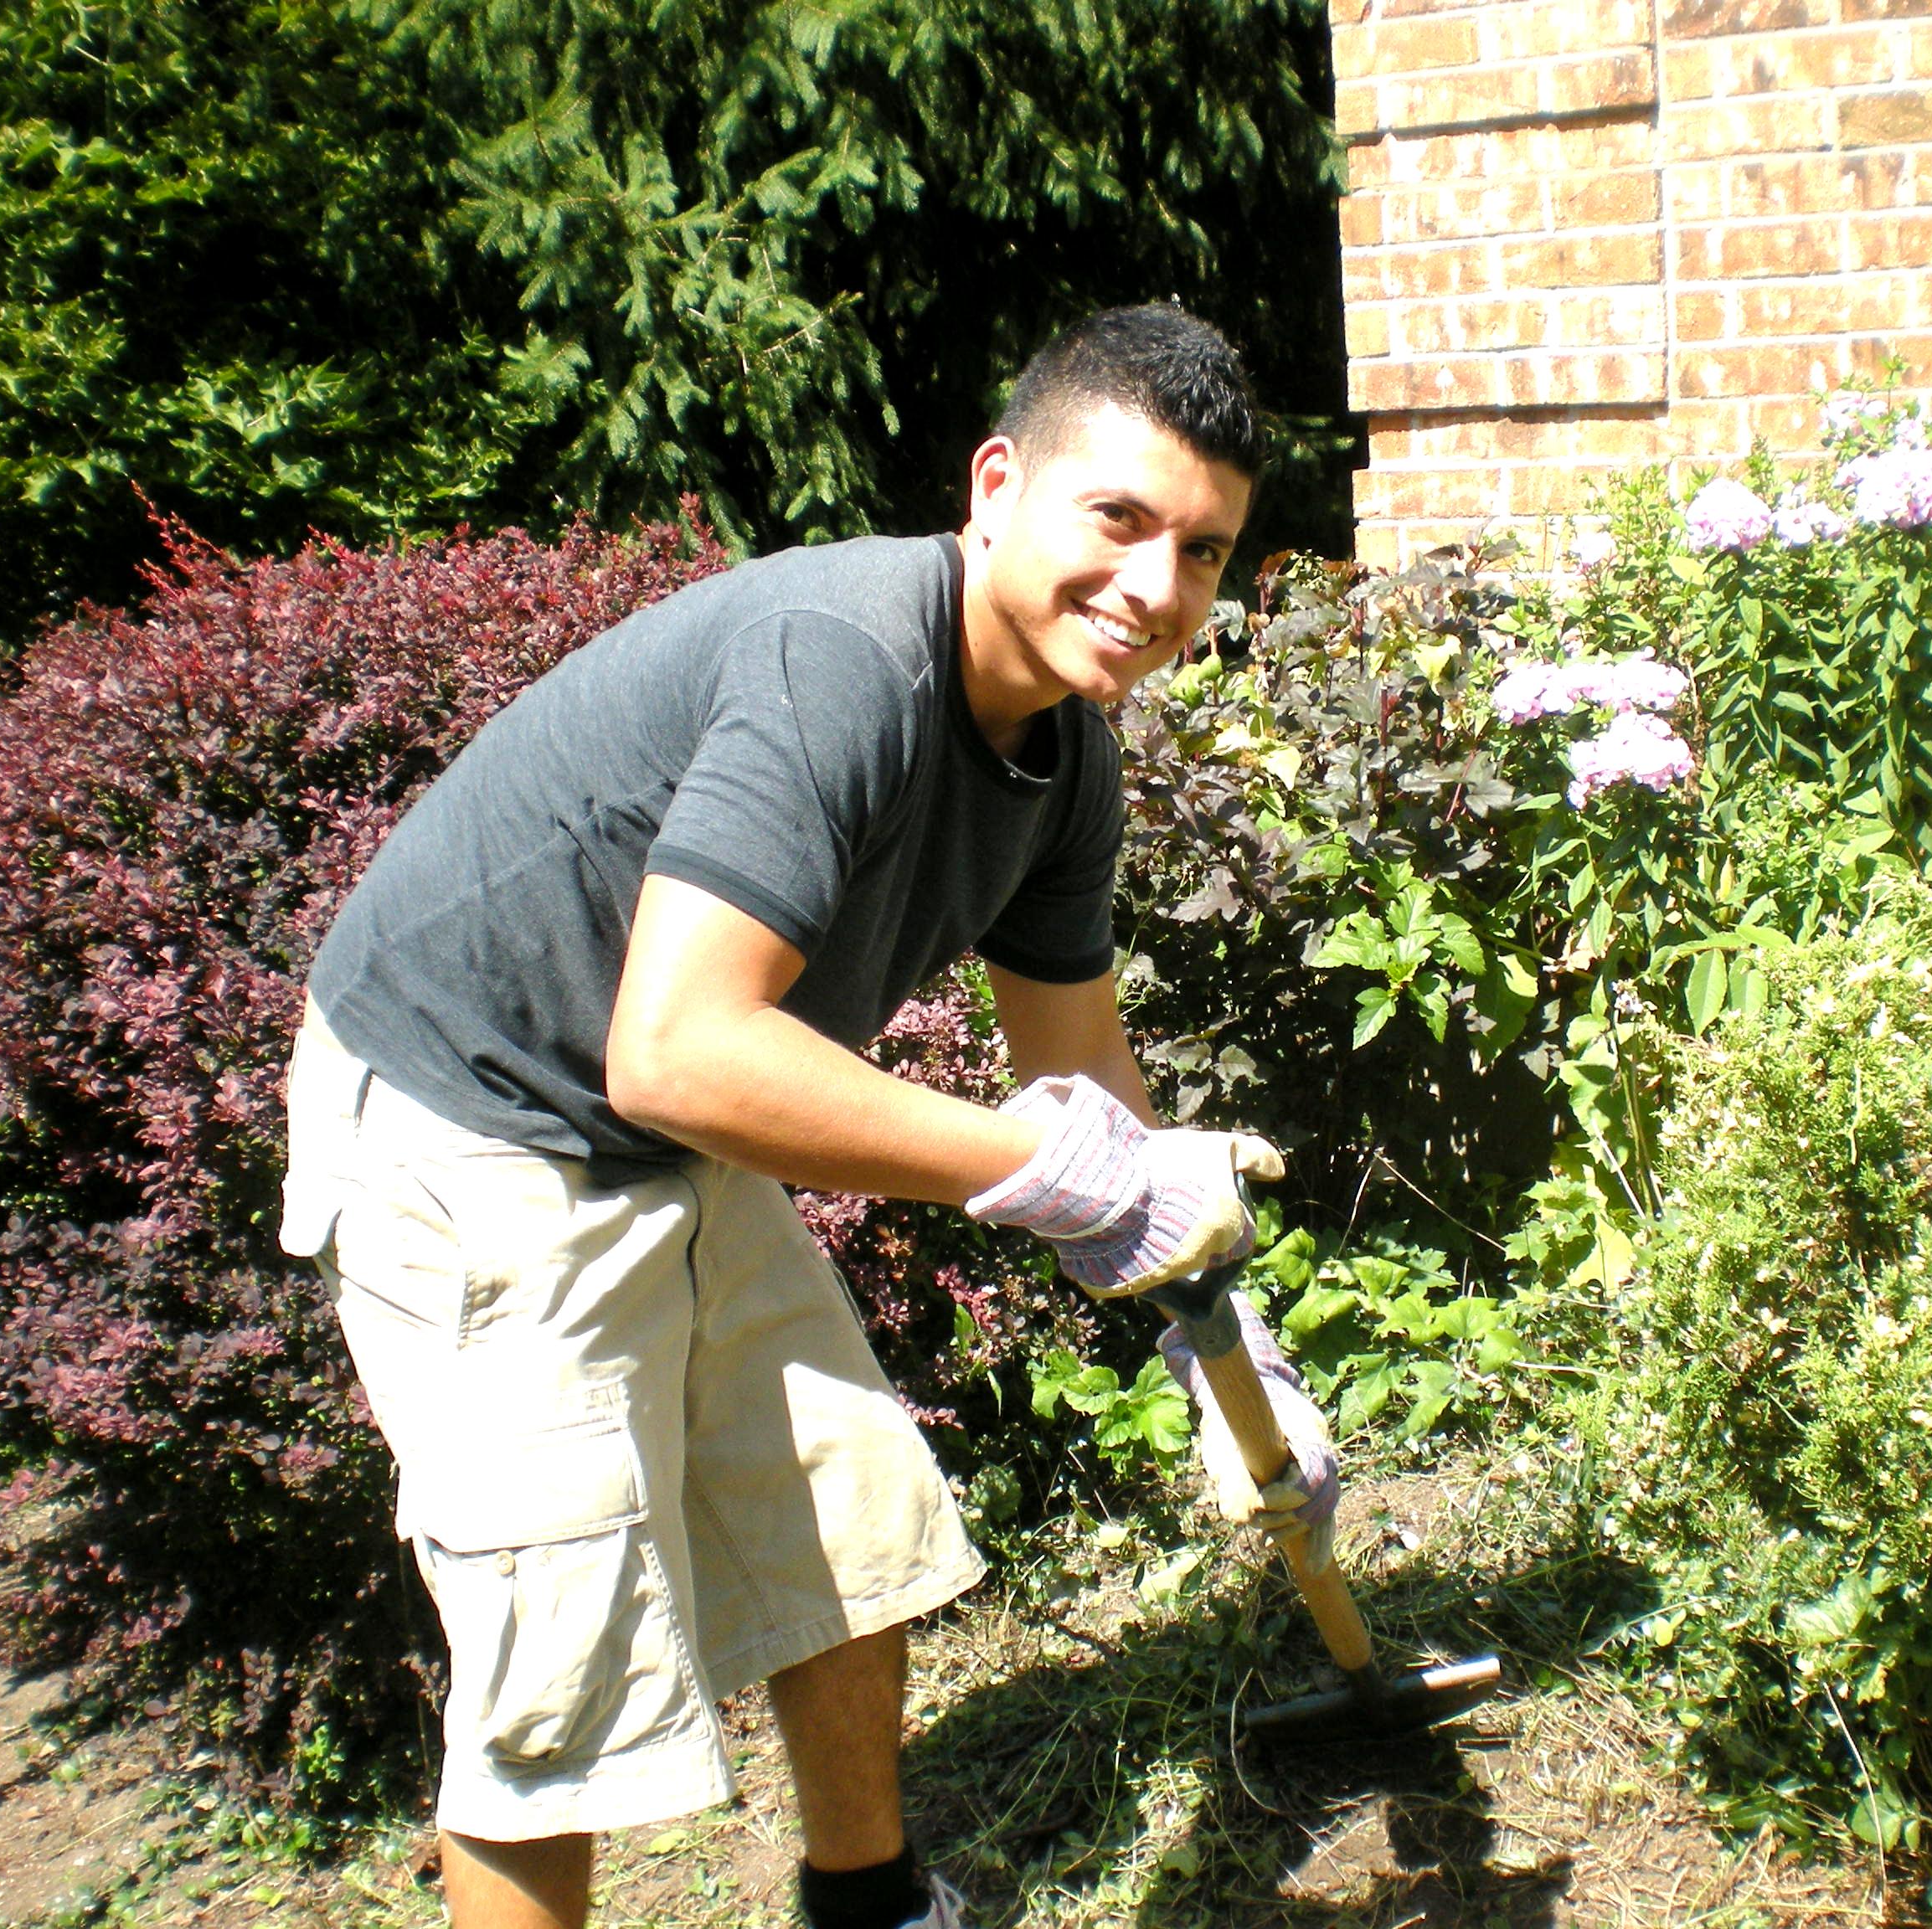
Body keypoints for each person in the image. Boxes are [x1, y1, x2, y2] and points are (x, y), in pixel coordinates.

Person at [276, 305, 1341, 1929]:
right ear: (999, 486)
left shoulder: (1065, 759)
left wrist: (1216, 1336)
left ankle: (871, 1904)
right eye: (1117, 521)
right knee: (557, 1686)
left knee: (849, 1517)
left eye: (1202, 554)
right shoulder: (845, 659)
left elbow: (1083, 1095)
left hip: (655, 1127)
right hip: (475, 1118)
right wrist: (1047, 1173)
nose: (1156, 588)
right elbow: (683, 1053)